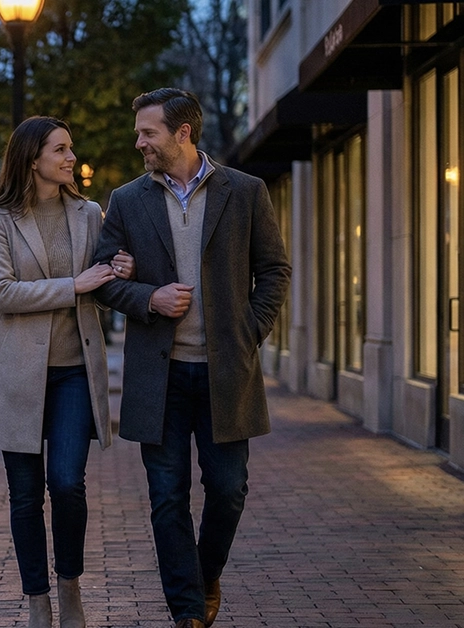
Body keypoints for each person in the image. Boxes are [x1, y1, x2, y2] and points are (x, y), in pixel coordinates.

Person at [92, 88, 291, 628]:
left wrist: (249, 331)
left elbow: (274, 270)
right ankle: (187, 613)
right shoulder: (128, 200)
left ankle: (204, 577)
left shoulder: (245, 191)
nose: (139, 143)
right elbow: (103, 278)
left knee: (228, 490)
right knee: (166, 497)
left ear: (182, 133)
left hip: (226, 372)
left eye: (147, 133)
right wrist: (148, 298)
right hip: (159, 376)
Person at [0, 116, 135, 628]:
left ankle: (69, 589)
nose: (70, 158)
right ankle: (37, 601)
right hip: (16, 373)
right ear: (32, 158)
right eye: (60, 150)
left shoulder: (88, 213)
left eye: (70, 148)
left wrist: (118, 272)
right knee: (24, 495)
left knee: (66, 483)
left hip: (72, 373)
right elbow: (2, 294)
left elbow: (100, 290)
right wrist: (76, 285)